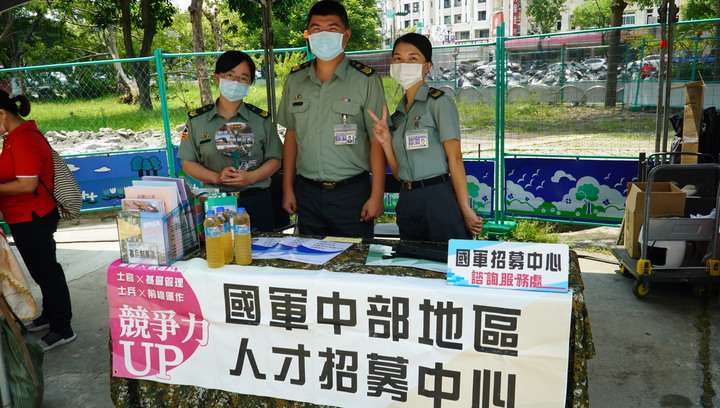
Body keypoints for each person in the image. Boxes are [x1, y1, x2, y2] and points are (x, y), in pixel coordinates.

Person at [277, 0, 387, 239]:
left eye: (332, 28)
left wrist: (377, 195)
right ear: (307, 35)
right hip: (307, 192)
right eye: (316, 29)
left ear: (346, 35)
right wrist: (288, 189)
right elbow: (292, 137)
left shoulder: (366, 80)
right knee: (310, 266)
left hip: (351, 194)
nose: (323, 35)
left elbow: (376, 140)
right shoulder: (295, 80)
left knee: (355, 268)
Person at [367, 33, 483, 241]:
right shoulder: (397, 116)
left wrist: (465, 208)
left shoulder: (439, 103)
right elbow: (397, 173)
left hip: (437, 196)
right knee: (413, 264)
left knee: (446, 263)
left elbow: (455, 159)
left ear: (427, 66)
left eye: (413, 58)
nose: (404, 64)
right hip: (407, 199)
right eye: (398, 58)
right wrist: (385, 142)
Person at [0, 90, 76, 351]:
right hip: (22, 215)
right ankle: (50, 314)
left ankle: (63, 328)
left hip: (33, 216)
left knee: (47, 271)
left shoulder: (24, 140)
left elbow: (27, 184)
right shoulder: (13, 138)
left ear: (1, 114)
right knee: (40, 270)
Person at [179, 50, 283, 232]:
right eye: (230, 75)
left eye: (243, 78)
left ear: (250, 83)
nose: (236, 82)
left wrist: (251, 177)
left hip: (256, 201)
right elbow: (187, 163)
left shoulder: (261, 119)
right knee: (218, 255)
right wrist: (216, 177)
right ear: (218, 78)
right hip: (215, 204)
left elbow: (275, 159)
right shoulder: (198, 121)